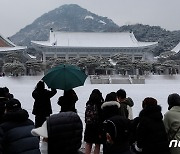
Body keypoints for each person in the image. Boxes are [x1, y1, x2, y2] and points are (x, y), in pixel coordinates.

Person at [84, 89, 104, 154]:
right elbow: (101, 117)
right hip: (97, 127)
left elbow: (86, 117)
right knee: (97, 144)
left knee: (88, 143)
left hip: (89, 126)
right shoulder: (100, 104)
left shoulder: (88, 104)